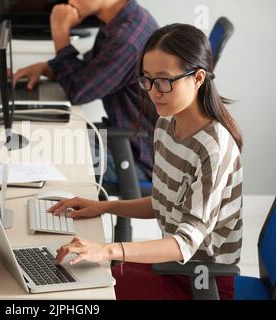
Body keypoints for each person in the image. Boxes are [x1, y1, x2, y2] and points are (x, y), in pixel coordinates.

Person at [48, 23, 243, 300]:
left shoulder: (214, 147)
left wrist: (109, 249)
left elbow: (184, 243)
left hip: (200, 284)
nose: (153, 91)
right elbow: (163, 201)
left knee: (83, 290)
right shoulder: (166, 124)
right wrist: (103, 206)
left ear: (198, 78)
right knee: (71, 272)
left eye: (164, 81)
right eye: (147, 79)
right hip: (171, 268)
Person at [13, 0, 159, 182]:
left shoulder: (126, 40)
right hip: (121, 140)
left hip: (135, 157)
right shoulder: (122, 21)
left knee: (36, 151)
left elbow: (78, 91)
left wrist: (60, 31)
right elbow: (86, 72)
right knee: (36, 137)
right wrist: (45, 68)